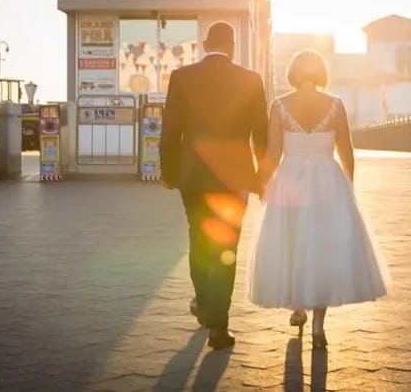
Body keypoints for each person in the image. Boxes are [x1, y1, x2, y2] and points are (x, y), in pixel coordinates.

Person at [247, 49, 390, 349]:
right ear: (320, 72)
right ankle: (318, 327)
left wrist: (260, 182)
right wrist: (348, 186)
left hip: (290, 181)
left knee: (293, 244)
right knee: (322, 248)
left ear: (294, 73)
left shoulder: (280, 105)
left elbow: (273, 154)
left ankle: (297, 307)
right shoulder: (335, 105)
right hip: (328, 182)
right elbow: (347, 151)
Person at [159, 22, 268, 350]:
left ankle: (204, 306)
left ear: (205, 44)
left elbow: (170, 131)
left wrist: (169, 173)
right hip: (234, 180)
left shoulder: (182, 77)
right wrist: (264, 179)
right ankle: (218, 326)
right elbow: (262, 136)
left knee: (198, 239)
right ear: (232, 46)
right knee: (226, 249)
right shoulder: (250, 80)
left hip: (193, 177)